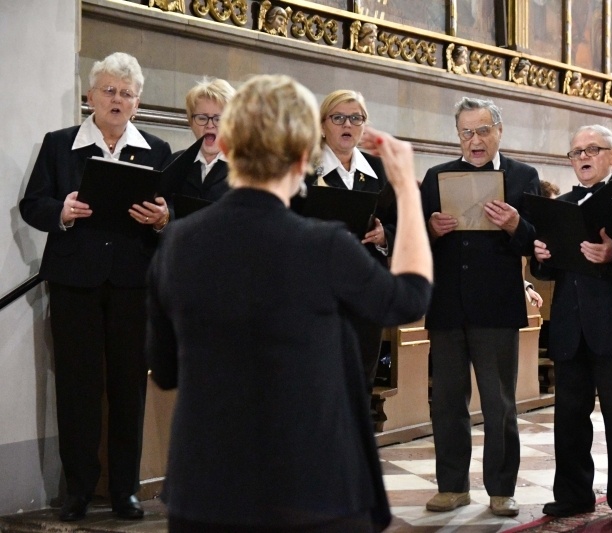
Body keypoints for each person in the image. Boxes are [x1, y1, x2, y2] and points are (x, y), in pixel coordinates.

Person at [145, 74, 432, 533]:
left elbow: (164, 370)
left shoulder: (178, 241)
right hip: (310, 486)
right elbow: (410, 299)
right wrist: (408, 193)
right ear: (303, 159)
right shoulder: (323, 245)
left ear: (230, 148)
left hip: (206, 487)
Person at [19, 52, 171, 521]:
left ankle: (124, 490)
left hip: (132, 284)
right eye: (109, 90)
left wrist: (164, 220)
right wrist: (60, 213)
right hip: (75, 282)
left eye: (127, 94)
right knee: (77, 388)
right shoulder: (60, 144)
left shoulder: (157, 151)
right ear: (90, 96)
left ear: (138, 104)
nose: (118, 100)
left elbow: (172, 211)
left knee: (129, 388)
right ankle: (79, 490)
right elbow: (32, 204)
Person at [420, 97, 539, 517]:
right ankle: (452, 487)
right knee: (448, 402)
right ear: (458, 136)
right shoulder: (436, 177)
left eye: (483, 130)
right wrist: (431, 230)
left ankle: (501, 488)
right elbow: (414, 240)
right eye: (467, 132)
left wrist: (515, 225)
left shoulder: (524, 176)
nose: (475, 140)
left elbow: (539, 247)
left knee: (499, 403)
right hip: (448, 307)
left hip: (497, 307)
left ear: (499, 131)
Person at [531, 125, 612, 528]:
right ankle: (572, 494)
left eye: (591, 149)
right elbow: (545, 269)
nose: (582, 156)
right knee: (569, 414)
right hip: (570, 322)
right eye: (575, 152)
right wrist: (541, 255)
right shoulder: (562, 204)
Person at [302, 89, 397, 393]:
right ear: (322, 125)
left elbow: (402, 221)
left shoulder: (380, 170)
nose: (347, 125)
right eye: (338, 117)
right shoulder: (303, 169)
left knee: (360, 377)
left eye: (355, 118)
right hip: (318, 290)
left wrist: (385, 236)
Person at [167, 77, 235, 202]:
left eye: (218, 119)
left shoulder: (246, 168)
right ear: (191, 122)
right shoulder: (175, 162)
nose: (210, 125)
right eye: (202, 118)